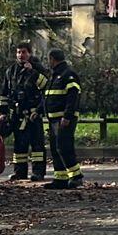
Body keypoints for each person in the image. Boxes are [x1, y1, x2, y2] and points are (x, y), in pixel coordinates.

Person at [0, 42, 46, 182]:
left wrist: (33, 72)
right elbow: (4, 94)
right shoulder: (11, 71)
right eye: (19, 52)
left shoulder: (37, 69)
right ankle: (20, 172)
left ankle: (38, 173)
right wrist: (3, 112)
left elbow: (45, 87)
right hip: (17, 114)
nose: (21, 55)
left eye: (24, 52)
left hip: (33, 114)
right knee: (19, 145)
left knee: (37, 145)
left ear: (30, 53)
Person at [41, 48, 82, 189]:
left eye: (49, 60)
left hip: (63, 120)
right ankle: (61, 179)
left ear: (52, 59)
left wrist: (67, 116)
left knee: (64, 147)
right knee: (55, 148)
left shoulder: (68, 75)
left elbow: (73, 97)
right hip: (53, 120)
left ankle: (76, 177)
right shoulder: (55, 75)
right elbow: (48, 97)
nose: (49, 62)